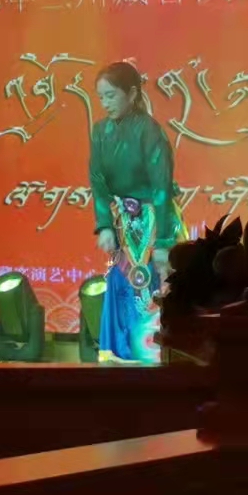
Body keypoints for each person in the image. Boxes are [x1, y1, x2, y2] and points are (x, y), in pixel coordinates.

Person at [89, 61, 180, 364]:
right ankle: (122, 357)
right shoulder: (100, 131)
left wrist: (164, 242)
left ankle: (153, 358)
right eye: (101, 97)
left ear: (131, 94)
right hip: (124, 224)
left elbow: (162, 187)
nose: (105, 103)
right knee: (122, 282)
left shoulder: (150, 131)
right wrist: (104, 224)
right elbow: (98, 180)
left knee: (152, 282)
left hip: (154, 220)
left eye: (111, 95)